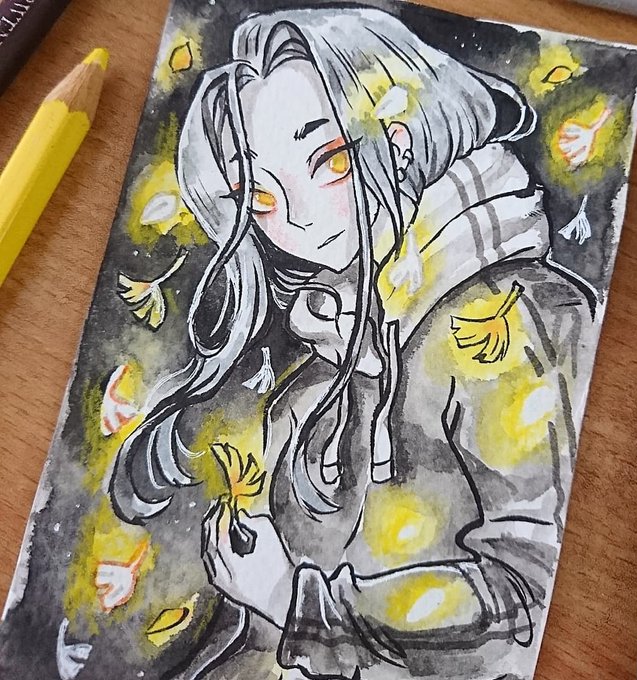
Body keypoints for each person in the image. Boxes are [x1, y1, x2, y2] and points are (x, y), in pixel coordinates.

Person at [110, 7, 596, 679]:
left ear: (402, 135)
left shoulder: (508, 320)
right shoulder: (323, 362)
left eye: (329, 160)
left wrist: (296, 602)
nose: (299, 220)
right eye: (261, 199)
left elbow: (529, 598)